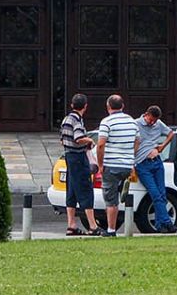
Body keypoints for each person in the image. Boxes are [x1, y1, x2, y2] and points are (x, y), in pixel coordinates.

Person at [96, 94, 138, 236]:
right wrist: (130, 155)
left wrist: (100, 164)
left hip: (111, 164)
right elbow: (138, 140)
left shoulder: (106, 122)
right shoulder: (132, 122)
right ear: (123, 106)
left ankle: (111, 229)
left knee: (110, 199)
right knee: (123, 195)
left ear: (108, 107)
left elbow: (101, 144)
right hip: (127, 165)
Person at [59, 93, 101, 236]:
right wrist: (89, 141)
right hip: (78, 158)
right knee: (85, 189)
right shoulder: (77, 120)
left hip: (69, 157)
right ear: (85, 107)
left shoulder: (66, 119)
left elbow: (62, 139)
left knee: (71, 191)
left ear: (72, 105)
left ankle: (71, 225)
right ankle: (93, 226)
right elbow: (78, 138)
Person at [134, 105, 177, 233]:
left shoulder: (158, 124)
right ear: (146, 114)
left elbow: (171, 133)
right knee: (155, 193)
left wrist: (163, 146)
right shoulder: (136, 124)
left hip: (156, 162)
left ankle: (160, 225)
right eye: (150, 120)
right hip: (142, 164)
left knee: (162, 194)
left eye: (154, 121)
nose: (152, 123)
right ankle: (167, 222)